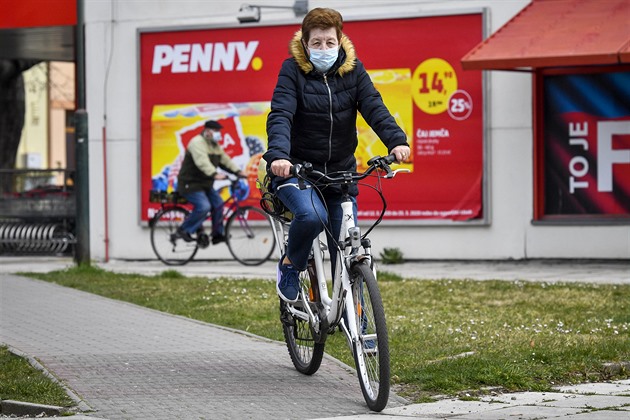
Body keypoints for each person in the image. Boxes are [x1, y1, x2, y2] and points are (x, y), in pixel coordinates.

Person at [263, 8, 411, 303]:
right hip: (298, 171)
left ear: (340, 40)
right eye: (317, 43)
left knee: (347, 248)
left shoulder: (354, 70)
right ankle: (291, 266)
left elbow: (374, 106)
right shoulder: (292, 70)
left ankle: (357, 320)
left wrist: (396, 141)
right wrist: (279, 156)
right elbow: (281, 114)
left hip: (340, 174)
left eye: (330, 42)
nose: (324, 48)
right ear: (305, 44)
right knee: (312, 216)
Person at [175, 120, 246, 244]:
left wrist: (238, 172)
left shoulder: (214, 145)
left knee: (218, 204)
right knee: (204, 207)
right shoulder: (197, 142)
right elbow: (202, 162)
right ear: (207, 131)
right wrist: (214, 174)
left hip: (205, 184)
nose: (219, 134)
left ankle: (217, 234)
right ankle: (184, 229)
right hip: (190, 184)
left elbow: (225, 160)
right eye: (216, 131)